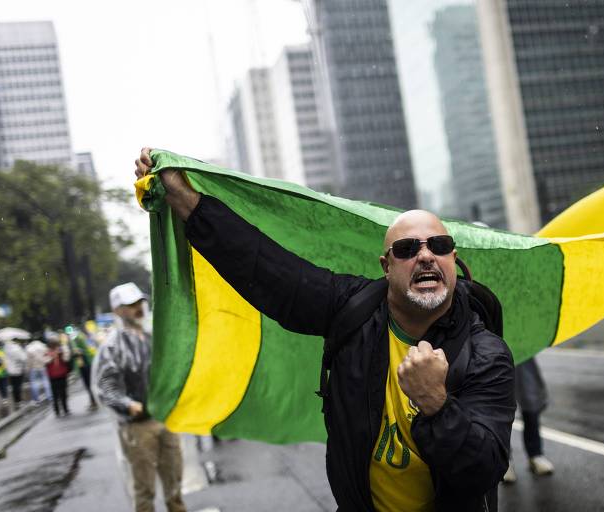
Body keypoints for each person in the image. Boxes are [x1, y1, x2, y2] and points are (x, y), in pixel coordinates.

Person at [135, 148, 516, 512]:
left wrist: (436, 404)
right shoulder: (354, 309)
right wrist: (185, 199)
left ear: (453, 258)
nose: (425, 255)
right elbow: (266, 269)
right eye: (407, 249)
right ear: (386, 265)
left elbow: (484, 470)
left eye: (438, 245)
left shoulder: (485, 353)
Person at [93, 282, 186, 512]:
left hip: (166, 419)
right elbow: (106, 385)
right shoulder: (113, 346)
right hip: (138, 427)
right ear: (118, 311)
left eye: (139, 302)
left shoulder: (152, 336)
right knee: (144, 489)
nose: (138, 308)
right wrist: (128, 405)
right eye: (130, 305)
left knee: (174, 482)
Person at [502, 357, 554, 483]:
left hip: (523, 352)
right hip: (494, 350)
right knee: (501, 406)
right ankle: (504, 460)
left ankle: (535, 454)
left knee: (530, 399)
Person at [70, 329, 98, 410]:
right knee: (88, 384)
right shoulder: (81, 339)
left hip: (87, 365)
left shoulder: (80, 339)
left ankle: (94, 401)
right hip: (84, 365)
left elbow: (86, 352)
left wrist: (79, 352)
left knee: (89, 384)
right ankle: (93, 401)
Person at [45, 334, 71, 417]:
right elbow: (45, 361)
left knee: (63, 392)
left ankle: (65, 408)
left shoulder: (61, 350)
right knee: (55, 394)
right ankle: (57, 410)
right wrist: (52, 356)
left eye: (55, 344)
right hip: (52, 376)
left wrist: (62, 354)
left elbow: (67, 359)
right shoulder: (47, 352)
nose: (54, 346)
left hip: (62, 374)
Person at [25, 338, 53, 403]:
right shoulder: (43, 346)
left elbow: (28, 361)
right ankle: (50, 396)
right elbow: (48, 356)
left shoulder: (29, 348)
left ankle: (37, 399)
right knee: (46, 381)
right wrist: (47, 362)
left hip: (33, 368)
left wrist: (28, 369)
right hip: (42, 367)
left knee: (34, 383)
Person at [3, 337, 27, 408]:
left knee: (13, 386)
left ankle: (16, 400)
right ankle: (19, 400)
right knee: (18, 385)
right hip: (18, 369)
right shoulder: (16, 349)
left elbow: (5, 360)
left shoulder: (5, 349)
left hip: (10, 370)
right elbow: (23, 358)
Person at [0, 341, 9, 405]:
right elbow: (5, 362)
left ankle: (2, 398)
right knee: (4, 386)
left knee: (0, 386)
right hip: (3, 372)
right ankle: (5, 399)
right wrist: (6, 369)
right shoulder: (2, 352)